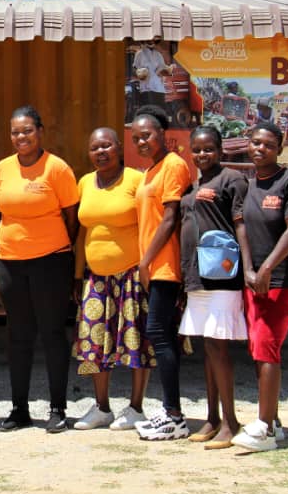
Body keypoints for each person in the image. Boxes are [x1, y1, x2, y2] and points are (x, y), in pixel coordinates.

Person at [0, 105, 79, 433]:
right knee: (18, 335)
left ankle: (58, 408)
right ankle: (19, 409)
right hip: (10, 263)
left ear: (40, 131)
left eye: (27, 130)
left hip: (51, 261)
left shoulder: (57, 168)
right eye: (16, 131)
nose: (21, 137)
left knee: (53, 333)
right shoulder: (2, 169)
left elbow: (72, 219)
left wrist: (57, 250)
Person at [70, 127, 155, 431]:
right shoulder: (84, 183)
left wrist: (147, 269)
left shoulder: (137, 180)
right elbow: (83, 233)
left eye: (106, 145)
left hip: (132, 274)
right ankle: (102, 407)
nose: (101, 152)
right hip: (96, 277)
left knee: (136, 341)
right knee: (93, 340)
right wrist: (79, 275)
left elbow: (150, 225)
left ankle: (136, 408)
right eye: (95, 147)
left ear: (119, 148)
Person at [233, 123, 288, 452]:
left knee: (267, 348)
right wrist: (249, 270)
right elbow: (243, 230)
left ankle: (262, 428)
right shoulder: (248, 186)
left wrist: (266, 269)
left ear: (279, 148)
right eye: (254, 143)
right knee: (259, 349)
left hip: (281, 280)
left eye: (267, 144)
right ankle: (274, 423)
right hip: (254, 280)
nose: (258, 149)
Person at [177, 126, 248, 449]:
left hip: (222, 277)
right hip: (196, 278)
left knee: (219, 348)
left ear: (220, 150)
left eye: (208, 149)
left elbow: (241, 224)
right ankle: (212, 417)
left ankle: (231, 422)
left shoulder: (231, 180)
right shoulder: (194, 185)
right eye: (197, 150)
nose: (202, 155)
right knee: (207, 350)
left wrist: (248, 269)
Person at [130, 105, 192, 441]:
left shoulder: (173, 165)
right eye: (136, 137)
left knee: (159, 333)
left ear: (162, 135)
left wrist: (145, 261)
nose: (141, 141)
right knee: (162, 334)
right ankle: (171, 410)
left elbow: (171, 217)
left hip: (166, 266)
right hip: (153, 267)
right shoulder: (150, 170)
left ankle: (174, 415)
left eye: (147, 135)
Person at [132, 37, 173, 109]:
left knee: (159, 111)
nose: (151, 41)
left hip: (159, 89)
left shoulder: (158, 55)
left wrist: (166, 71)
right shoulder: (139, 54)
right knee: (148, 111)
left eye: (153, 40)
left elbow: (163, 69)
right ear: (145, 40)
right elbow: (134, 69)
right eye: (149, 39)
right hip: (146, 89)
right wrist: (139, 73)